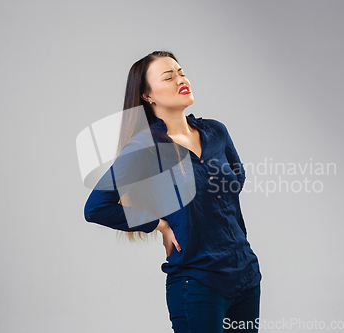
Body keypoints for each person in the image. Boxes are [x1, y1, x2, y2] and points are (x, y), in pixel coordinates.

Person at [84, 50, 262, 333]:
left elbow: (237, 179)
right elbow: (96, 207)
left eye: (181, 72)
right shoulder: (146, 147)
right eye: (168, 76)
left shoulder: (216, 131)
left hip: (246, 276)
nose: (181, 79)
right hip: (198, 283)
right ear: (147, 96)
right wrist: (159, 223)